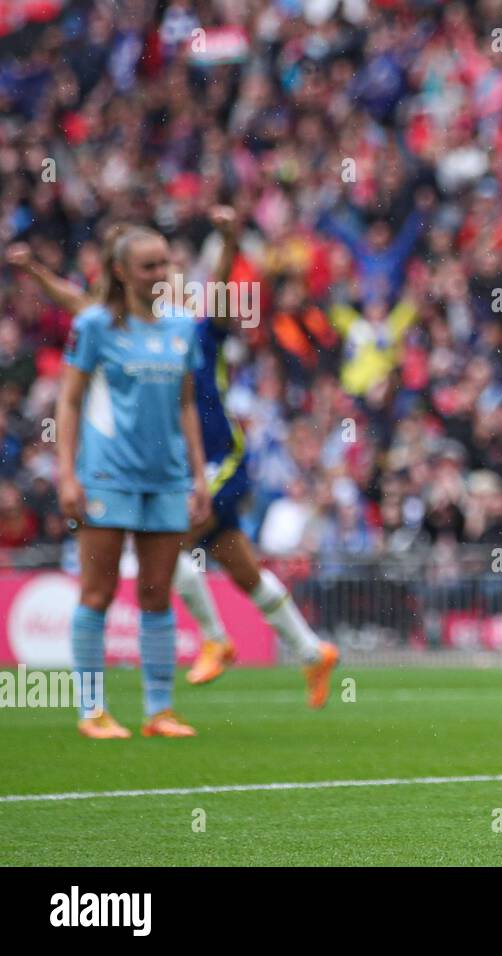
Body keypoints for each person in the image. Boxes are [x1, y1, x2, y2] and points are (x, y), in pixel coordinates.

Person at [8, 209, 339, 709]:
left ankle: (214, 639)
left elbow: (223, 281)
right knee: (238, 564)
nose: (168, 282)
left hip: (218, 460)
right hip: (180, 465)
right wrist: (34, 272)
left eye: (173, 273)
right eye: (157, 271)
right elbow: (79, 302)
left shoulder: (201, 329)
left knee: (161, 548)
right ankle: (311, 651)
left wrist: (228, 238)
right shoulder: (127, 326)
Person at [55, 225, 210, 738]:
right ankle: (92, 711)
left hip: (165, 479)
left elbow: (188, 404)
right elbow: (70, 400)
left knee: (157, 595)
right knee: (96, 594)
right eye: (148, 266)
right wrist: (66, 472)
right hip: (106, 476)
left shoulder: (183, 326)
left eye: (165, 263)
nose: (160, 274)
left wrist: (199, 476)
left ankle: (159, 711)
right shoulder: (95, 325)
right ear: (121, 272)